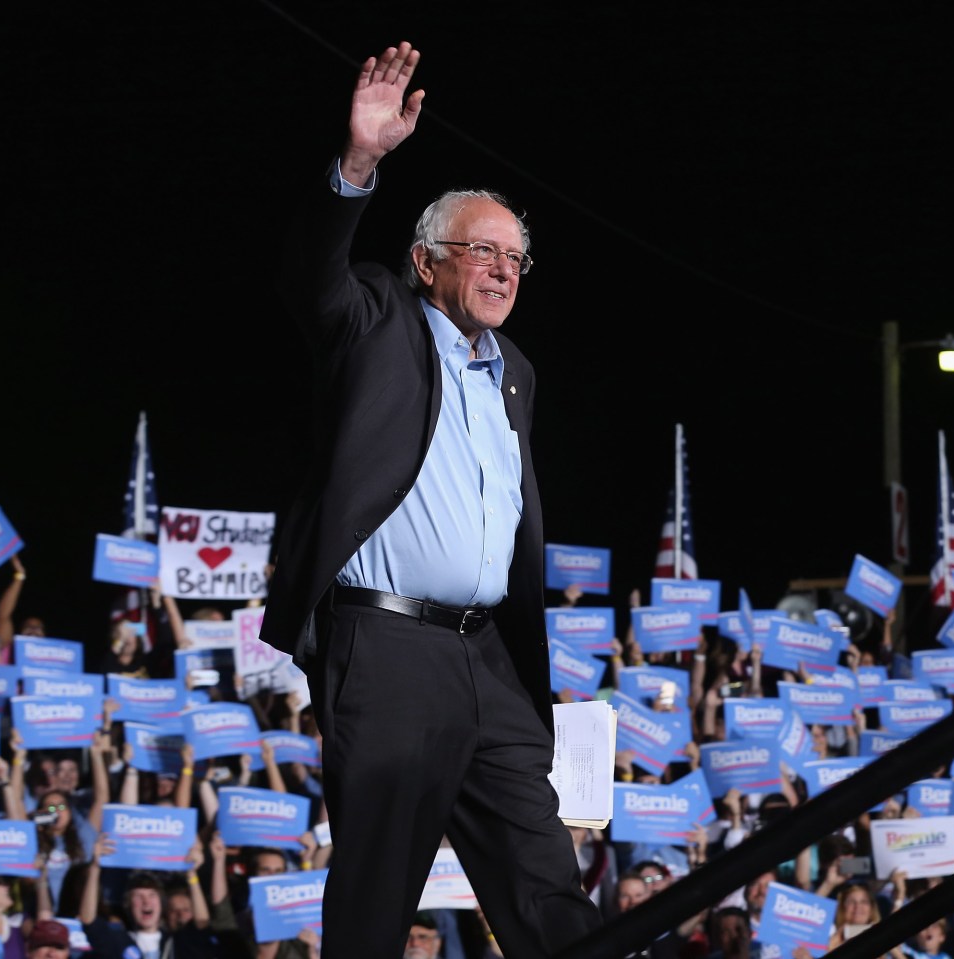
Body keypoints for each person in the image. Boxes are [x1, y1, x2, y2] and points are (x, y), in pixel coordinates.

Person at [257, 40, 599, 959]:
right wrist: (359, 162)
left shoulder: (515, 373)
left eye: (517, 258)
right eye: (481, 251)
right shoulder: (376, 320)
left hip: (489, 660)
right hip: (390, 650)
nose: (501, 270)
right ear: (424, 260)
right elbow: (310, 278)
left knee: (548, 884)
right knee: (376, 897)